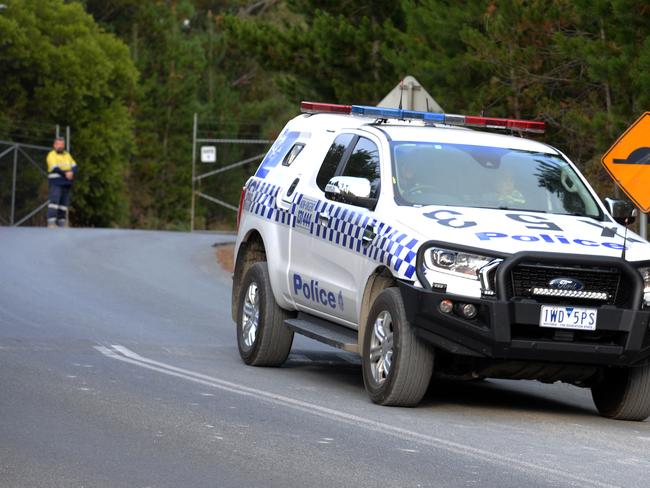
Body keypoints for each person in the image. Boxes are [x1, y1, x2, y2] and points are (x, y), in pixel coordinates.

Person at [46, 138, 77, 228]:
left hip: (66, 182)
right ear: (54, 145)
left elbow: (74, 165)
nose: (60, 146)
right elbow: (54, 167)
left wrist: (72, 172)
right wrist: (66, 173)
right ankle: (51, 222)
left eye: (62, 144)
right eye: (58, 144)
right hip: (56, 182)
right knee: (54, 201)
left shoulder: (67, 154)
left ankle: (61, 222)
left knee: (64, 204)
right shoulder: (51, 155)